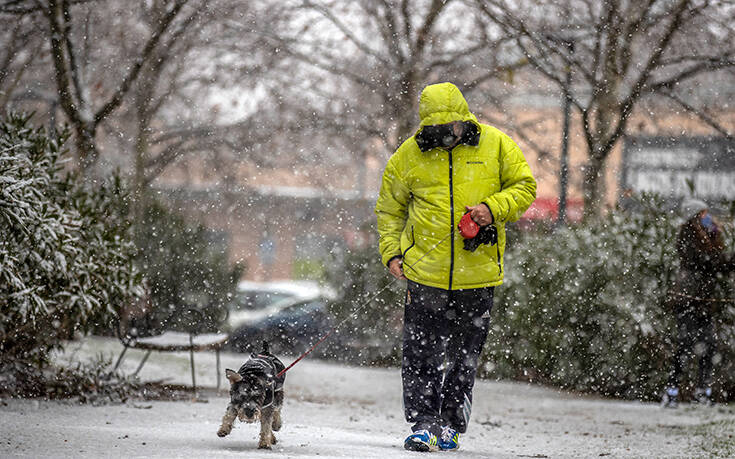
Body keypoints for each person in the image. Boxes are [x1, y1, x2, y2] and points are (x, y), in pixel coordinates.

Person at [374, 82, 536, 451]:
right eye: (438, 129)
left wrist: (492, 209)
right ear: (425, 124)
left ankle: (450, 425)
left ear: (465, 120)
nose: (448, 135)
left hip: (478, 275)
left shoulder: (496, 145)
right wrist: (392, 254)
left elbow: (525, 187)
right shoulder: (407, 156)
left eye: (454, 127)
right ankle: (424, 422)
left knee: (465, 357)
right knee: (421, 354)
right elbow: (389, 210)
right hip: (424, 275)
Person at [662, 198, 735, 408]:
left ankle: (702, 390)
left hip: (704, 302)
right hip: (687, 300)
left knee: (709, 346)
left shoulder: (711, 236)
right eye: (703, 214)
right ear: (694, 216)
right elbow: (708, 262)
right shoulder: (687, 236)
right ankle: (672, 391)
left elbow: (717, 262)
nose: (708, 218)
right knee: (685, 345)